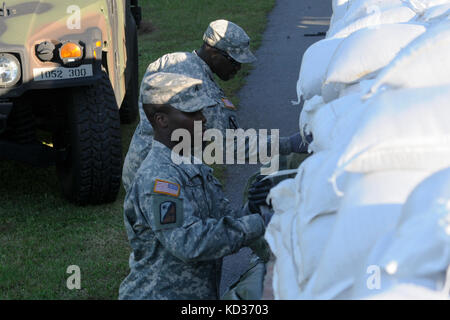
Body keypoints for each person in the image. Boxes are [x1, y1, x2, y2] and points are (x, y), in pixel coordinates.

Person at [118, 72, 268, 300]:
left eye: (201, 110)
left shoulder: (190, 163)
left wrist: (252, 209)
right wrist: (258, 223)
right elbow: (189, 242)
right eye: (192, 113)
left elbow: (217, 223)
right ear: (161, 120)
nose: (203, 118)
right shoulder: (159, 177)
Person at [122, 19, 307, 193]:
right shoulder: (204, 93)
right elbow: (228, 145)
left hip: (138, 164)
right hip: (165, 178)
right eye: (234, 61)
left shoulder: (169, 60)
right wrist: (288, 143)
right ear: (212, 51)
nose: (238, 69)